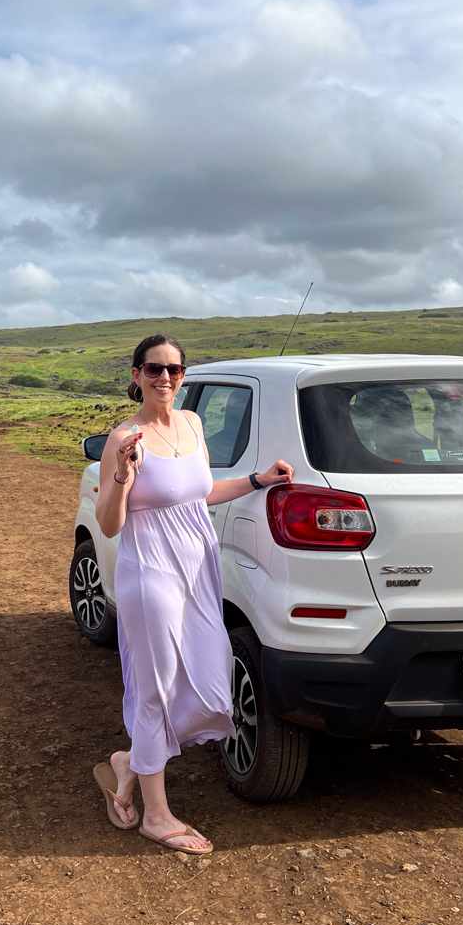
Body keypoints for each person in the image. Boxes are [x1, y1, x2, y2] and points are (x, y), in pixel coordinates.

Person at [92, 334, 293, 853]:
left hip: (197, 567)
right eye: (154, 369)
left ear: (184, 375)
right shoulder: (125, 438)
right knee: (156, 684)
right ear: (135, 375)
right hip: (150, 571)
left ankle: (128, 763)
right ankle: (155, 816)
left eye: (175, 370)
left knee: (207, 672)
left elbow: (201, 493)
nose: (165, 378)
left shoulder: (193, 424)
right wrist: (121, 474)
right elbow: (109, 526)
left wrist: (257, 479)